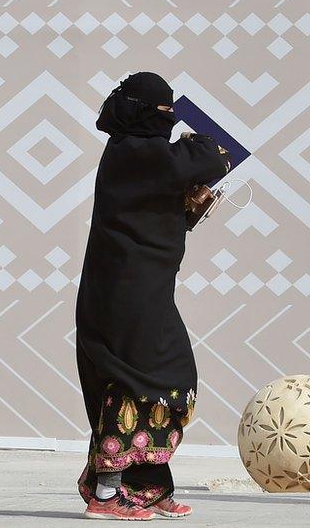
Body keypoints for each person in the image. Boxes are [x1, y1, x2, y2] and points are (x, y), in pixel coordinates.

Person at [75, 72, 230, 521]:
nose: (170, 120)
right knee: (134, 381)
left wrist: (186, 207)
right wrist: (193, 151)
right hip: (123, 293)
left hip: (142, 290)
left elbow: (153, 213)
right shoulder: (134, 150)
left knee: (165, 379)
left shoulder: (142, 156)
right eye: (164, 112)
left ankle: (146, 486)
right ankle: (106, 494)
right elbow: (211, 155)